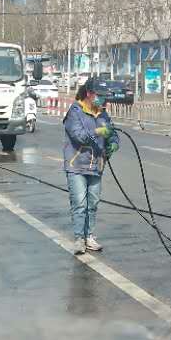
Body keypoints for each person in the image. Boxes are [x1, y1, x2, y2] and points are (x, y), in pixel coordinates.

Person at [62, 81, 119, 255]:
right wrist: (98, 132)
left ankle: (89, 236)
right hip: (77, 165)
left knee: (93, 203)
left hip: (96, 165)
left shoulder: (102, 113)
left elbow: (113, 133)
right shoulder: (75, 112)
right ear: (89, 93)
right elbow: (78, 135)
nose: (103, 100)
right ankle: (79, 238)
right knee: (80, 203)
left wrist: (113, 143)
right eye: (100, 96)